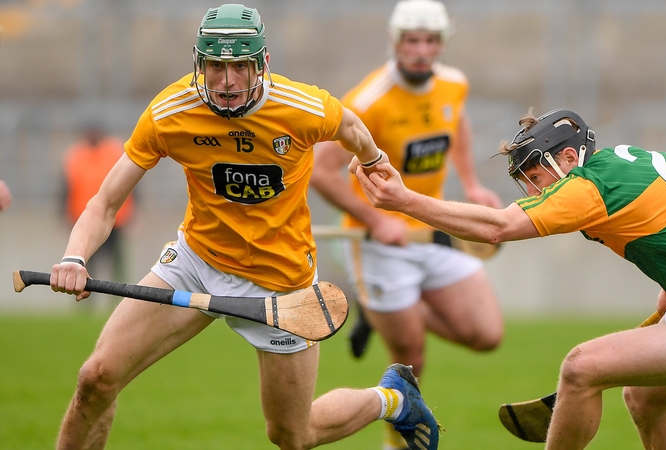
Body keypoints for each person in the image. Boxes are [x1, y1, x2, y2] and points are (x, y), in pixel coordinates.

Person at [49, 5, 439, 450]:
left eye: (240, 66)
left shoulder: (302, 107)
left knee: (293, 435)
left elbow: (350, 126)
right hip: (196, 263)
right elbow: (103, 203)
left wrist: (373, 162)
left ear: (263, 64)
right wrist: (74, 256)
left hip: (280, 286)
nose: (228, 81)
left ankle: (392, 399)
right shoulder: (170, 111)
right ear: (200, 64)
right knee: (96, 379)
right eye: (216, 66)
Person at [351, 107, 666, 449]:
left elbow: (498, 227)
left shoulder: (588, 188)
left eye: (536, 176)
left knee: (581, 369)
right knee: (643, 399)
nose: (536, 192)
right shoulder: (625, 160)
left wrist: (404, 200)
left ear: (567, 157)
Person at [311, 2, 503, 446]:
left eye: (431, 41)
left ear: (442, 44)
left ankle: (380, 312)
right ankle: (395, 445)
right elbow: (322, 171)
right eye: (412, 41)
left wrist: (472, 184)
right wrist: (376, 220)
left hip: (429, 226)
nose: (421, 51)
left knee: (487, 334)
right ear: (396, 42)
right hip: (378, 242)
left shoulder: (454, 84)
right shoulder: (368, 100)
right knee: (411, 356)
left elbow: (458, 123)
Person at [62, 122, 135, 288]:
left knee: (116, 261)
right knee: (86, 260)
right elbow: (67, 186)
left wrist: (133, 212)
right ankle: (85, 296)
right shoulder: (76, 156)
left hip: (114, 217)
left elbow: (130, 182)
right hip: (84, 217)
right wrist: (65, 213)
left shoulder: (113, 152)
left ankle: (119, 292)